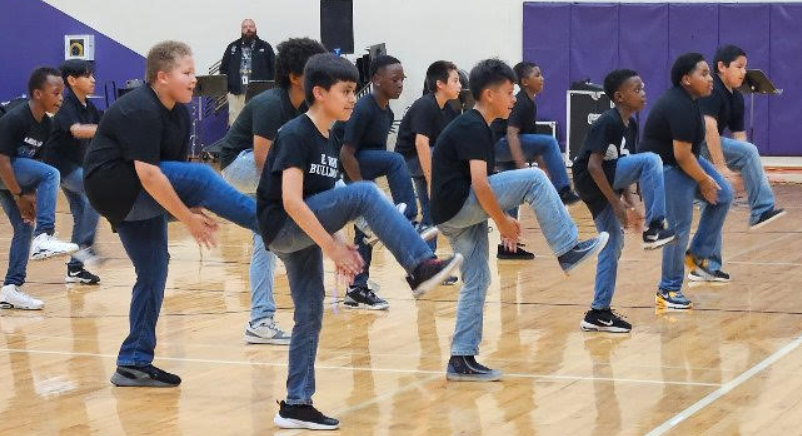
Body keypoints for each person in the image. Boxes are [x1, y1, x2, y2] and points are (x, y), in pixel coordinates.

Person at [260, 53, 462, 430]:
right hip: (284, 227)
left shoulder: (329, 136)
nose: (354, 99)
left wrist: (338, 242)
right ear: (318, 93)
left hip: (301, 230)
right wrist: (331, 246)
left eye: (355, 91)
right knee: (365, 193)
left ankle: (295, 404)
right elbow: (291, 200)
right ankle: (419, 264)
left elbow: (318, 197)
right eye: (346, 91)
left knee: (310, 314)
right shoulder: (295, 133)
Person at [84, 41, 262, 387]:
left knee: (153, 272)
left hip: (134, 195)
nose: (195, 79)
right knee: (202, 175)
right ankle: (272, 221)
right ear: (162, 77)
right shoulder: (140, 109)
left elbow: (172, 175)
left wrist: (190, 209)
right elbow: (150, 175)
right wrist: (189, 219)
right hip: (114, 186)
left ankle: (133, 361)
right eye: (187, 72)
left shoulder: (179, 113)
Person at [431, 59, 608, 381]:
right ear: (488, 94)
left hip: (449, 215)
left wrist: (502, 218)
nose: (514, 99)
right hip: (459, 205)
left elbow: (488, 183)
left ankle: (461, 358)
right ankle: (567, 249)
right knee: (535, 179)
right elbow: (481, 184)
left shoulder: (479, 125)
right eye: (509, 92)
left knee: (478, 281)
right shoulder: (473, 125)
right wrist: (501, 222)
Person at [220, 37, 327, 345]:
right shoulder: (271, 103)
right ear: (295, 77)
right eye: (314, 72)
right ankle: (367, 221)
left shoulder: (305, 106)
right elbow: (262, 159)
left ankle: (260, 321)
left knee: (263, 243)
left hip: (267, 169)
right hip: (240, 166)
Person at [572, 69, 676, 333]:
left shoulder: (631, 125)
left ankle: (598, 312)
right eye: (637, 89)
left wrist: (630, 203)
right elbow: (595, 166)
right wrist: (616, 204)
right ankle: (656, 227)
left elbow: (622, 162)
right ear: (619, 96)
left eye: (643, 88)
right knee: (652, 160)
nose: (644, 93)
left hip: (605, 181)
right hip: (590, 179)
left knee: (612, 243)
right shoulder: (609, 121)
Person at [338, 55, 435, 310]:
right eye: (395, 79)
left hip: (363, 166)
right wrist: (363, 193)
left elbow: (375, 154)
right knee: (395, 161)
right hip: (343, 169)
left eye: (403, 79)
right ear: (376, 80)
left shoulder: (387, 112)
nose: (400, 83)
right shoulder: (363, 107)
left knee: (366, 231)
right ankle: (409, 220)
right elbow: (345, 153)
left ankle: (357, 288)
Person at [639, 53, 734, 309]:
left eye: (708, 73)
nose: (710, 78)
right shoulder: (677, 104)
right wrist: (703, 180)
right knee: (679, 229)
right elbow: (681, 155)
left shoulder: (692, 102)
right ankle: (667, 290)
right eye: (703, 74)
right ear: (686, 79)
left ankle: (697, 255)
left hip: (684, 160)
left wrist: (706, 179)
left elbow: (687, 153)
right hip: (665, 168)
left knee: (724, 195)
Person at [696, 44, 785, 283]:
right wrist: (721, 167)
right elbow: (708, 128)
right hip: (691, 147)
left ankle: (705, 266)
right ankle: (760, 209)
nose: (744, 72)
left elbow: (739, 139)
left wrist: (741, 172)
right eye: (739, 67)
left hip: (706, 147)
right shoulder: (711, 90)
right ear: (721, 68)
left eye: (745, 67)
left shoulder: (736, 97)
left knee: (713, 203)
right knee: (747, 154)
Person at [0, 67, 78, 310]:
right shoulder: (15, 118)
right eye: (56, 93)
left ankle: (10, 289)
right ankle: (45, 235)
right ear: (37, 93)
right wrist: (19, 195)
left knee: (24, 227)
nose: (61, 99)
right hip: (4, 170)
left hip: (12, 178)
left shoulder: (47, 125)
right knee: (52, 174)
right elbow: (2, 160)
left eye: (62, 93)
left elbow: (35, 165)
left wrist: (30, 198)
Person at [490, 61, 581, 260]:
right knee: (549, 142)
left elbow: (532, 143)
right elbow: (512, 134)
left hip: (505, 149)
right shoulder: (521, 101)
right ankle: (563, 190)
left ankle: (508, 247)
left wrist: (541, 168)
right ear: (524, 82)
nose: (542, 78)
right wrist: (524, 170)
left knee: (511, 199)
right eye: (537, 75)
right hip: (499, 145)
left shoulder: (530, 102)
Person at [45, 59, 104, 285]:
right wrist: (106, 131)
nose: (93, 80)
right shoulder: (67, 104)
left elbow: (106, 122)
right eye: (87, 76)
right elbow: (78, 131)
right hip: (59, 167)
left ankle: (75, 269)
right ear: (71, 80)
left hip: (75, 165)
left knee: (81, 215)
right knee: (95, 194)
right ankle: (87, 246)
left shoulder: (88, 107)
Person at [394, 60, 461, 249]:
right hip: (409, 161)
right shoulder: (425, 105)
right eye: (455, 81)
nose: (460, 85)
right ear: (440, 84)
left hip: (426, 161)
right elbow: (420, 143)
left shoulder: (448, 109)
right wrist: (433, 182)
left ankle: (426, 263)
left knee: (431, 214)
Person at [220, 19, 276, 125]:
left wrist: (271, 91)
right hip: (236, 95)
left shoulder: (265, 47)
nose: (248, 29)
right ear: (241, 30)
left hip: (260, 94)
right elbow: (223, 69)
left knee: (260, 124)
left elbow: (274, 69)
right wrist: (228, 90)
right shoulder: (232, 47)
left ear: (256, 29)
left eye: (251, 26)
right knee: (236, 126)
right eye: (245, 27)